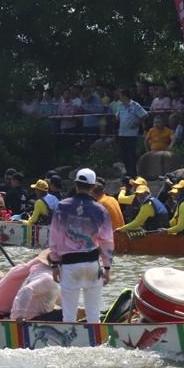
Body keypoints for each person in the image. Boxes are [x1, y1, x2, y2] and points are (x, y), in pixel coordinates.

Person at [48, 168, 114, 324]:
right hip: (92, 264)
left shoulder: (62, 206)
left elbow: (55, 237)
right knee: (94, 317)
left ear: (76, 184)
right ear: (92, 187)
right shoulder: (100, 210)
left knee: (69, 317)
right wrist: (107, 268)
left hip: (70, 266)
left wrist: (55, 265)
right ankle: (96, 345)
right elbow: (107, 241)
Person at [114, 90, 148, 177]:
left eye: (120, 96)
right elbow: (117, 117)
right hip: (122, 133)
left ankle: (133, 173)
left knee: (131, 155)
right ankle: (128, 172)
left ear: (125, 96)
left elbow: (145, 115)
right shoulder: (120, 106)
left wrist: (137, 123)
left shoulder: (135, 105)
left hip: (131, 134)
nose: (119, 97)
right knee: (124, 155)